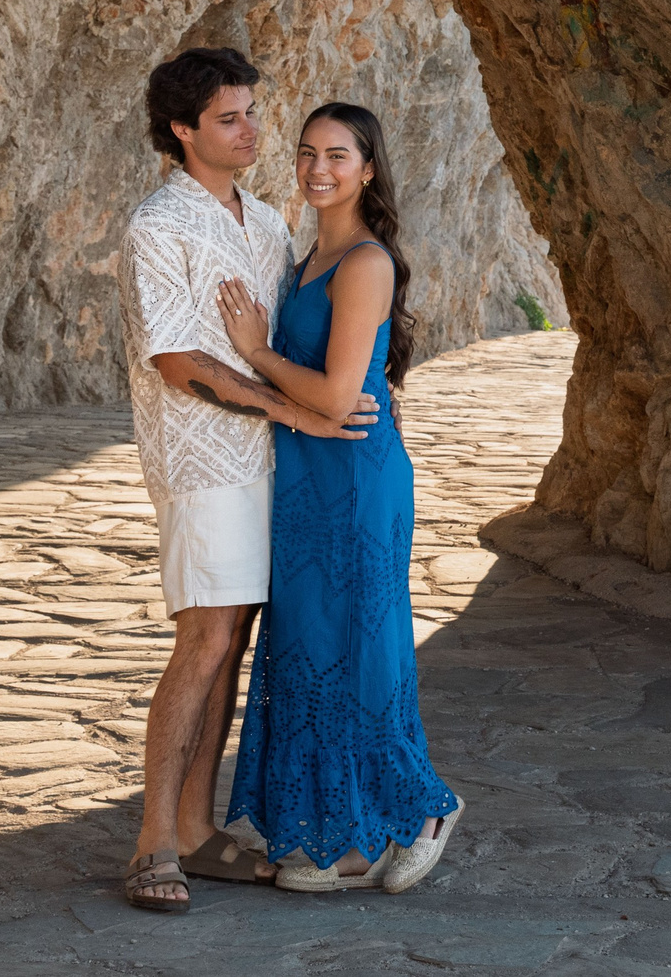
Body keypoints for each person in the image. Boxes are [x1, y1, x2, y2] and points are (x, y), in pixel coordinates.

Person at [114, 49, 378, 914]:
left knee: (235, 643)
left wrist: (349, 399)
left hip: (270, 469)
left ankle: (197, 829)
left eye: (253, 112)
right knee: (204, 642)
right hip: (202, 469)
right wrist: (291, 410)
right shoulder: (158, 226)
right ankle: (155, 842)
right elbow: (177, 359)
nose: (252, 129)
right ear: (183, 131)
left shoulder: (266, 223)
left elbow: (309, 333)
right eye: (229, 118)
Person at [214, 101, 463, 894]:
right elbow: (318, 392)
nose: (319, 169)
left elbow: (333, 398)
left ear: (367, 168)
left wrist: (255, 353)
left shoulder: (365, 263)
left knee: (359, 653)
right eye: (307, 153)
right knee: (311, 650)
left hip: (354, 480)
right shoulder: (303, 259)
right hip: (306, 482)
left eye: (339, 156)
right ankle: (339, 827)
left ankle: (420, 812)